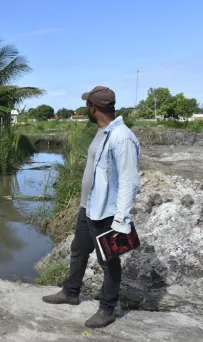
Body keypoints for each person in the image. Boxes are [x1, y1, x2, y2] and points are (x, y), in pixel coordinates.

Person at [42, 86, 140, 328]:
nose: (86, 108)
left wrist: (121, 221)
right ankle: (71, 292)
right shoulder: (103, 132)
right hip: (88, 207)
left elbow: (129, 181)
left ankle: (107, 309)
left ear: (93, 108)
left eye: (88, 104)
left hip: (106, 211)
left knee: (108, 260)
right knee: (78, 250)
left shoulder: (122, 137)